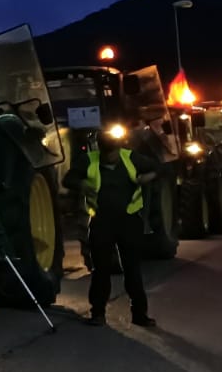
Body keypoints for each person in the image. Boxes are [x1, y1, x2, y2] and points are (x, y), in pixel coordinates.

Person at [63, 134, 161, 327]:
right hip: (101, 222)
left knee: (132, 269)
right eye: (107, 153)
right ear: (100, 149)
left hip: (129, 221)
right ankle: (98, 313)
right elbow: (69, 179)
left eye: (114, 152)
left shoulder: (131, 158)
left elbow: (158, 168)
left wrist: (148, 177)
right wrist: (81, 184)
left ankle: (140, 315)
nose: (111, 157)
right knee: (101, 270)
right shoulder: (88, 161)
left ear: (119, 148)